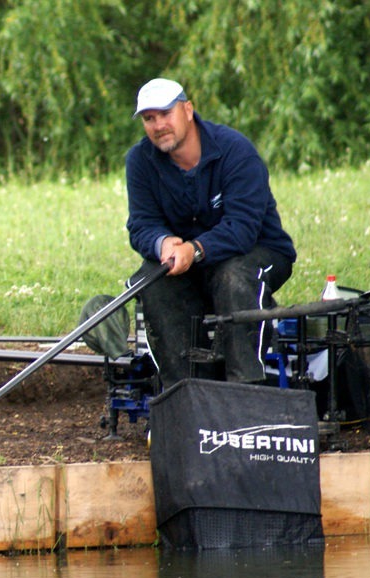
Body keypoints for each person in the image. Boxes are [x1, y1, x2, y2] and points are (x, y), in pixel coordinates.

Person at [125, 77, 296, 389]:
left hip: (258, 251)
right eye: (149, 119)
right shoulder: (139, 161)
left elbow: (243, 229)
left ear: (188, 110)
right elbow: (141, 224)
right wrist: (161, 242)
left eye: (166, 114)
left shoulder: (236, 150)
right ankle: (186, 390)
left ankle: (248, 387)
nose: (158, 125)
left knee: (232, 276)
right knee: (150, 280)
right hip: (185, 263)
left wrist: (195, 249)